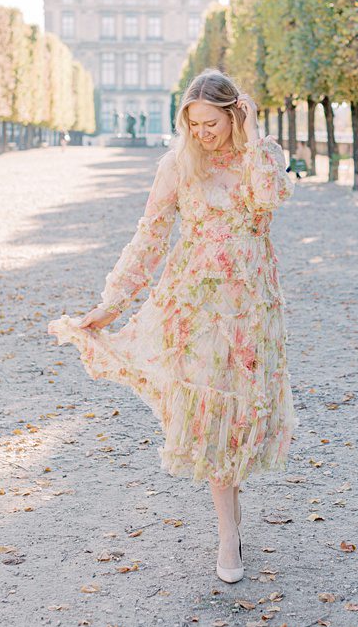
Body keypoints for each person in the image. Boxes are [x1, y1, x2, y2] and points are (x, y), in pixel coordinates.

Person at [48, 69, 297, 584]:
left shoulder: (264, 157)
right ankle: (228, 530)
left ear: (235, 114)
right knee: (209, 416)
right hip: (195, 308)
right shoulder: (177, 166)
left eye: (211, 123)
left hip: (252, 308)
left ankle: (231, 499)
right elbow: (151, 237)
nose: (202, 133)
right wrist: (112, 303)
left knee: (243, 415)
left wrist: (251, 139)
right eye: (193, 123)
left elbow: (270, 198)